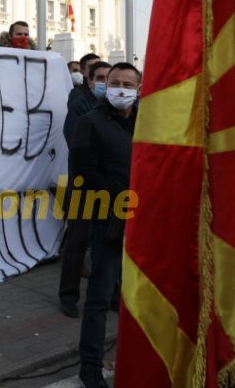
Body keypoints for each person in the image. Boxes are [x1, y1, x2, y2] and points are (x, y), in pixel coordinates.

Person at [72, 62, 140, 388]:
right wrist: (123, 198)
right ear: (104, 84)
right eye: (116, 82)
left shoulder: (145, 124)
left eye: (129, 83)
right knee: (100, 296)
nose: (121, 89)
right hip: (108, 222)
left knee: (137, 296)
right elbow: (82, 176)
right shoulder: (90, 123)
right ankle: (90, 365)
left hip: (142, 225)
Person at [57, 60, 112, 319]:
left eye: (107, 78)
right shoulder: (80, 106)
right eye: (99, 78)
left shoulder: (119, 109)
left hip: (112, 188)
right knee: (78, 244)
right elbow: (76, 145)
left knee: (108, 243)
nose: (104, 83)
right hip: (84, 187)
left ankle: (110, 294)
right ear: (89, 81)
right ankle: (68, 297)